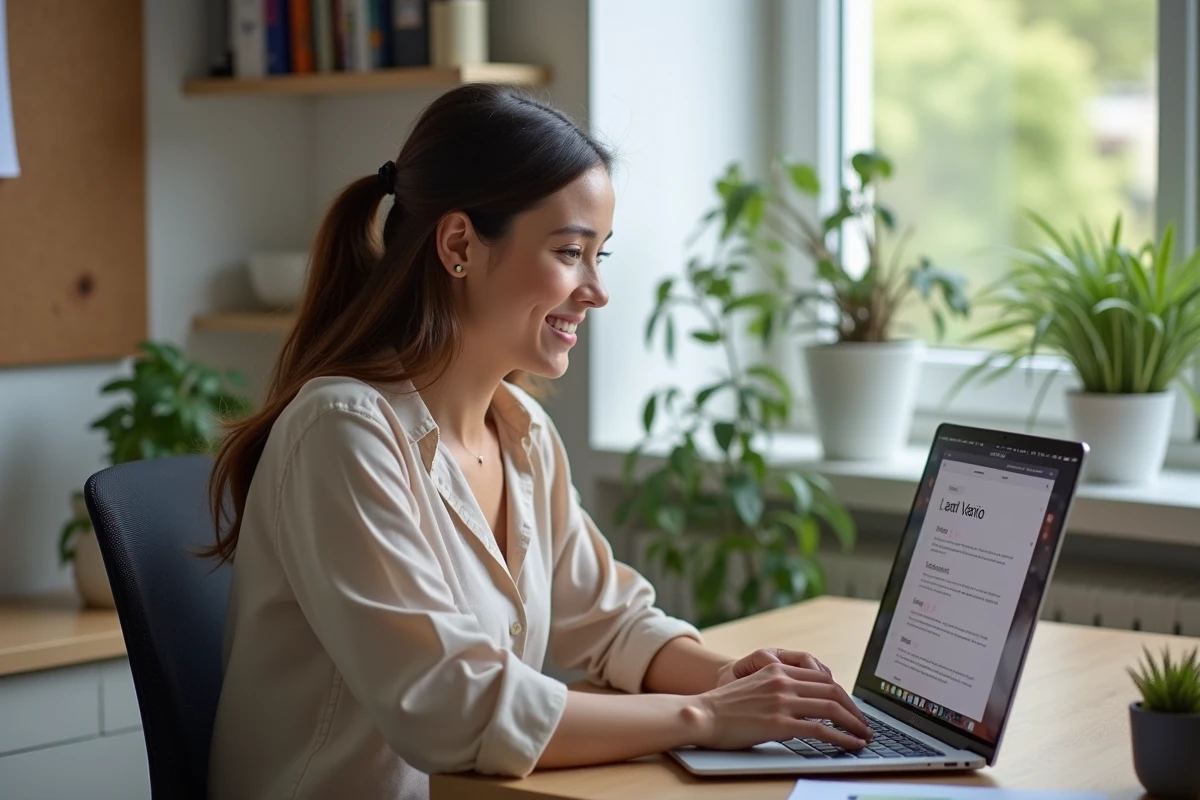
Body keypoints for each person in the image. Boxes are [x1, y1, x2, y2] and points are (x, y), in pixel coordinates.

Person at [202, 84, 871, 800]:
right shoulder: (343, 432)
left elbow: (610, 621)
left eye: (600, 255)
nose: (596, 290)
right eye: (570, 252)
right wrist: (705, 717)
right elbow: (451, 707)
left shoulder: (520, 430)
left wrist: (736, 682)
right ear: (459, 245)